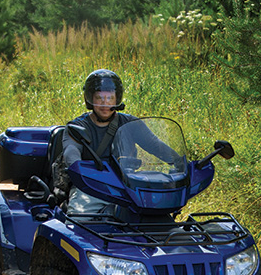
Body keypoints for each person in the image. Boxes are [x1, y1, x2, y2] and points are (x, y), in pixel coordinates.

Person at [53, 69, 177, 214]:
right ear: (90, 99)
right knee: (78, 218)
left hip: (127, 186)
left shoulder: (129, 123)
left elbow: (155, 145)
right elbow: (71, 151)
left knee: (156, 217)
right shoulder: (77, 126)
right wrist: (78, 167)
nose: (105, 103)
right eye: (99, 98)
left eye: (110, 98)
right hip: (91, 186)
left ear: (117, 99)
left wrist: (178, 161)